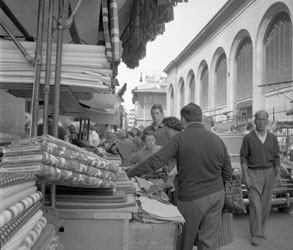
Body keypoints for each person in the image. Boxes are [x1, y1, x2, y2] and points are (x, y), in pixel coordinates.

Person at [127, 103, 232, 250]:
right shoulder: (217, 140)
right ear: (200, 118)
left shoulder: (180, 139)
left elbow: (155, 161)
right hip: (216, 196)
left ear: (183, 119)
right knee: (209, 242)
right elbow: (228, 171)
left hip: (192, 197)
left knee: (184, 241)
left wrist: (129, 173)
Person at [240, 110, 282, 246]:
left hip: (269, 172)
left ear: (267, 122)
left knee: (266, 205)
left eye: (264, 120)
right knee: (255, 204)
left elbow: (276, 156)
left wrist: (278, 172)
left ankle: (261, 230)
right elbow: (244, 157)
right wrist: (245, 175)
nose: (261, 122)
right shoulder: (248, 138)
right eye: (259, 119)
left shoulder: (272, 138)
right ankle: (255, 234)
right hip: (253, 173)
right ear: (255, 121)